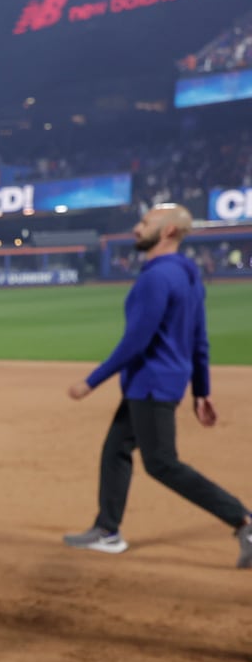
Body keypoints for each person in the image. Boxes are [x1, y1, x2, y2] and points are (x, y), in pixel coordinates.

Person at [64, 204, 252, 567]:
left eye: (145, 222)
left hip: (150, 383)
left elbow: (136, 342)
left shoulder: (155, 277)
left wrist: (91, 382)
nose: (137, 228)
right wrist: (201, 390)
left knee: (162, 463)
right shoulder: (189, 274)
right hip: (161, 382)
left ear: (167, 232)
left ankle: (243, 520)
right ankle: (107, 530)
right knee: (116, 448)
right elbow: (200, 339)